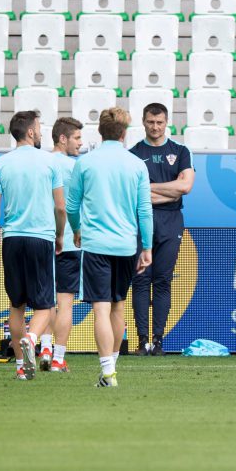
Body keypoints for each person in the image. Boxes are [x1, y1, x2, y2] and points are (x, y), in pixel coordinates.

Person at [65, 107, 153, 387]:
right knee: (118, 307)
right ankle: (111, 369)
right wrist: (147, 246)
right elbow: (145, 210)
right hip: (126, 246)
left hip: (96, 245)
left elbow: (71, 205)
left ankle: (107, 373)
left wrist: (77, 230)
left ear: (100, 132)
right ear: (124, 133)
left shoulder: (85, 163)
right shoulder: (137, 164)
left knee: (101, 309)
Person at [0, 110, 65, 380]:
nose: (41, 132)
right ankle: (32, 338)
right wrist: (61, 236)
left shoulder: (0, 164)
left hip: (12, 239)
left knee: (16, 304)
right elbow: (61, 207)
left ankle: (21, 367)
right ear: (30, 131)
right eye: (40, 127)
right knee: (44, 305)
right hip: (40, 237)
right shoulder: (51, 162)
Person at [128, 103, 194, 356]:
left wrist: (149, 188)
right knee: (141, 280)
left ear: (167, 123)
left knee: (163, 281)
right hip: (141, 220)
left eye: (159, 122)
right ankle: (142, 340)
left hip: (171, 221)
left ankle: (158, 341)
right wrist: (170, 189)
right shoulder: (134, 154)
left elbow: (186, 187)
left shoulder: (180, 151)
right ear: (143, 122)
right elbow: (134, 195)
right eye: (150, 122)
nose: (155, 127)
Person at [41, 117, 84, 373]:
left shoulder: (41, 163)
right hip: (69, 240)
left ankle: (45, 347)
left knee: (44, 300)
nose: (81, 143)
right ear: (63, 138)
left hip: (43, 240)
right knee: (65, 301)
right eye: (77, 138)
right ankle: (58, 358)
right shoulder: (75, 167)